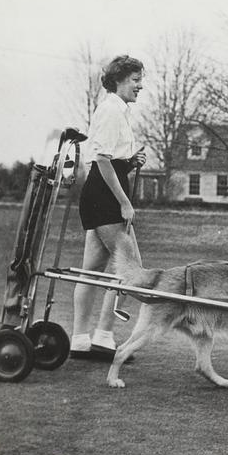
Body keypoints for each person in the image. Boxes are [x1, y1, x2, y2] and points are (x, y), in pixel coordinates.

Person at [70, 55, 147, 357]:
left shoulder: (118, 110)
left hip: (100, 194)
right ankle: (102, 336)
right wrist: (125, 203)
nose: (141, 86)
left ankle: (80, 340)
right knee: (132, 271)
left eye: (141, 80)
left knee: (91, 272)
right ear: (119, 80)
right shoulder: (112, 110)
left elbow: (110, 160)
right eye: (136, 80)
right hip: (105, 198)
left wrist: (130, 162)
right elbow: (101, 159)